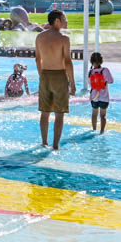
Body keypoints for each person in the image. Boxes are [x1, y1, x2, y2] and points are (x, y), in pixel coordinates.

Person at [35, 10, 76, 150]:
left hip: (45, 74)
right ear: (57, 21)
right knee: (59, 113)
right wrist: (73, 83)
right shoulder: (64, 39)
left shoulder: (40, 37)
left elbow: (37, 59)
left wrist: (41, 75)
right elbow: (68, 62)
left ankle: (44, 142)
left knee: (45, 112)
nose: (66, 20)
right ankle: (56, 145)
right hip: (59, 75)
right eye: (64, 18)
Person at [89, 51, 114, 135]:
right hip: (104, 97)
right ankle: (102, 131)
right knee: (103, 116)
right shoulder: (105, 70)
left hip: (94, 97)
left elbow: (90, 84)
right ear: (101, 61)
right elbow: (111, 81)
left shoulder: (90, 72)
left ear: (91, 62)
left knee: (94, 114)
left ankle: (94, 130)